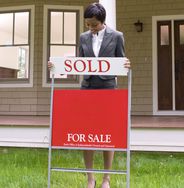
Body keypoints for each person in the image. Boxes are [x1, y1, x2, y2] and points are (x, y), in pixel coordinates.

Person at [48, 3, 130, 188]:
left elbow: (120, 61)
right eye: (87, 25)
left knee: (108, 134)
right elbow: (79, 63)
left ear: (102, 22)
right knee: (86, 133)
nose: (90, 28)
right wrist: (56, 67)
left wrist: (125, 65)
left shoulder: (117, 37)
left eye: (94, 25)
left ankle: (106, 179)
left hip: (108, 89)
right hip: (87, 89)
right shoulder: (83, 37)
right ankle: (90, 178)